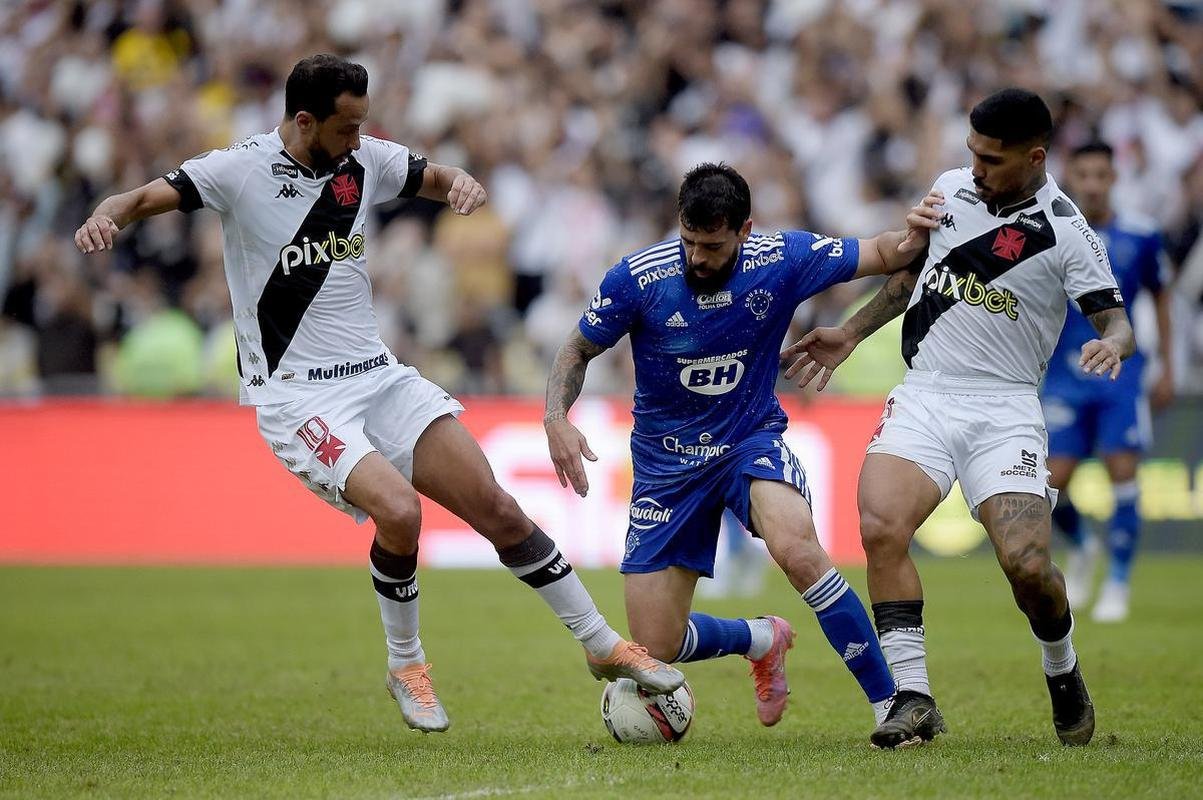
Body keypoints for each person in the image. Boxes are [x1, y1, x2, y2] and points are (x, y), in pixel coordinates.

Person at [73, 53, 682, 734]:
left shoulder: (365, 162)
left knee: (498, 509)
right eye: (347, 127)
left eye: (364, 125)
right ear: (305, 121)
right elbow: (137, 199)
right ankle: (406, 663)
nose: (359, 140)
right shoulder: (236, 171)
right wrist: (106, 219)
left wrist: (461, 186)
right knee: (400, 512)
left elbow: (435, 175)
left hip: (378, 376)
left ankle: (601, 646)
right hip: (299, 398)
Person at [783, 89, 1135, 748]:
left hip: (1004, 406)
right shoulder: (950, 188)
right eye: (971, 153)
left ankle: (1060, 668)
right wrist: (851, 333)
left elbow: (1114, 318)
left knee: (1027, 566)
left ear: (1033, 158)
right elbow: (913, 277)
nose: (975, 169)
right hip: (926, 392)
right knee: (880, 524)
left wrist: (1110, 343)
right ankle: (913, 697)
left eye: (991, 160)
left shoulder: (1064, 228)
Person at [544, 162, 931, 734]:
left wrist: (922, 230)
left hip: (748, 441)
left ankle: (892, 705)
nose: (699, 257)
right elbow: (575, 351)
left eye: (714, 245)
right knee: (654, 646)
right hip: (664, 466)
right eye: (691, 241)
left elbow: (886, 253)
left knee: (798, 548)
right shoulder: (637, 278)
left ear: (745, 231)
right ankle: (760, 637)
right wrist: (555, 417)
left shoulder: (783, 259)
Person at [1042, 141, 1174, 623]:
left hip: (1122, 371)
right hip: (1063, 372)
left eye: (1102, 175)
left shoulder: (1141, 233)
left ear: (1113, 178)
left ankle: (1117, 582)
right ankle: (1082, 545)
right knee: (1049, 484)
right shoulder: (1051, 232)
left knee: (1123, 473)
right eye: (1084, 175)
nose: (1093, 184)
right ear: (1070, 178)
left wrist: (1168, 366)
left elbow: (1161, 297)